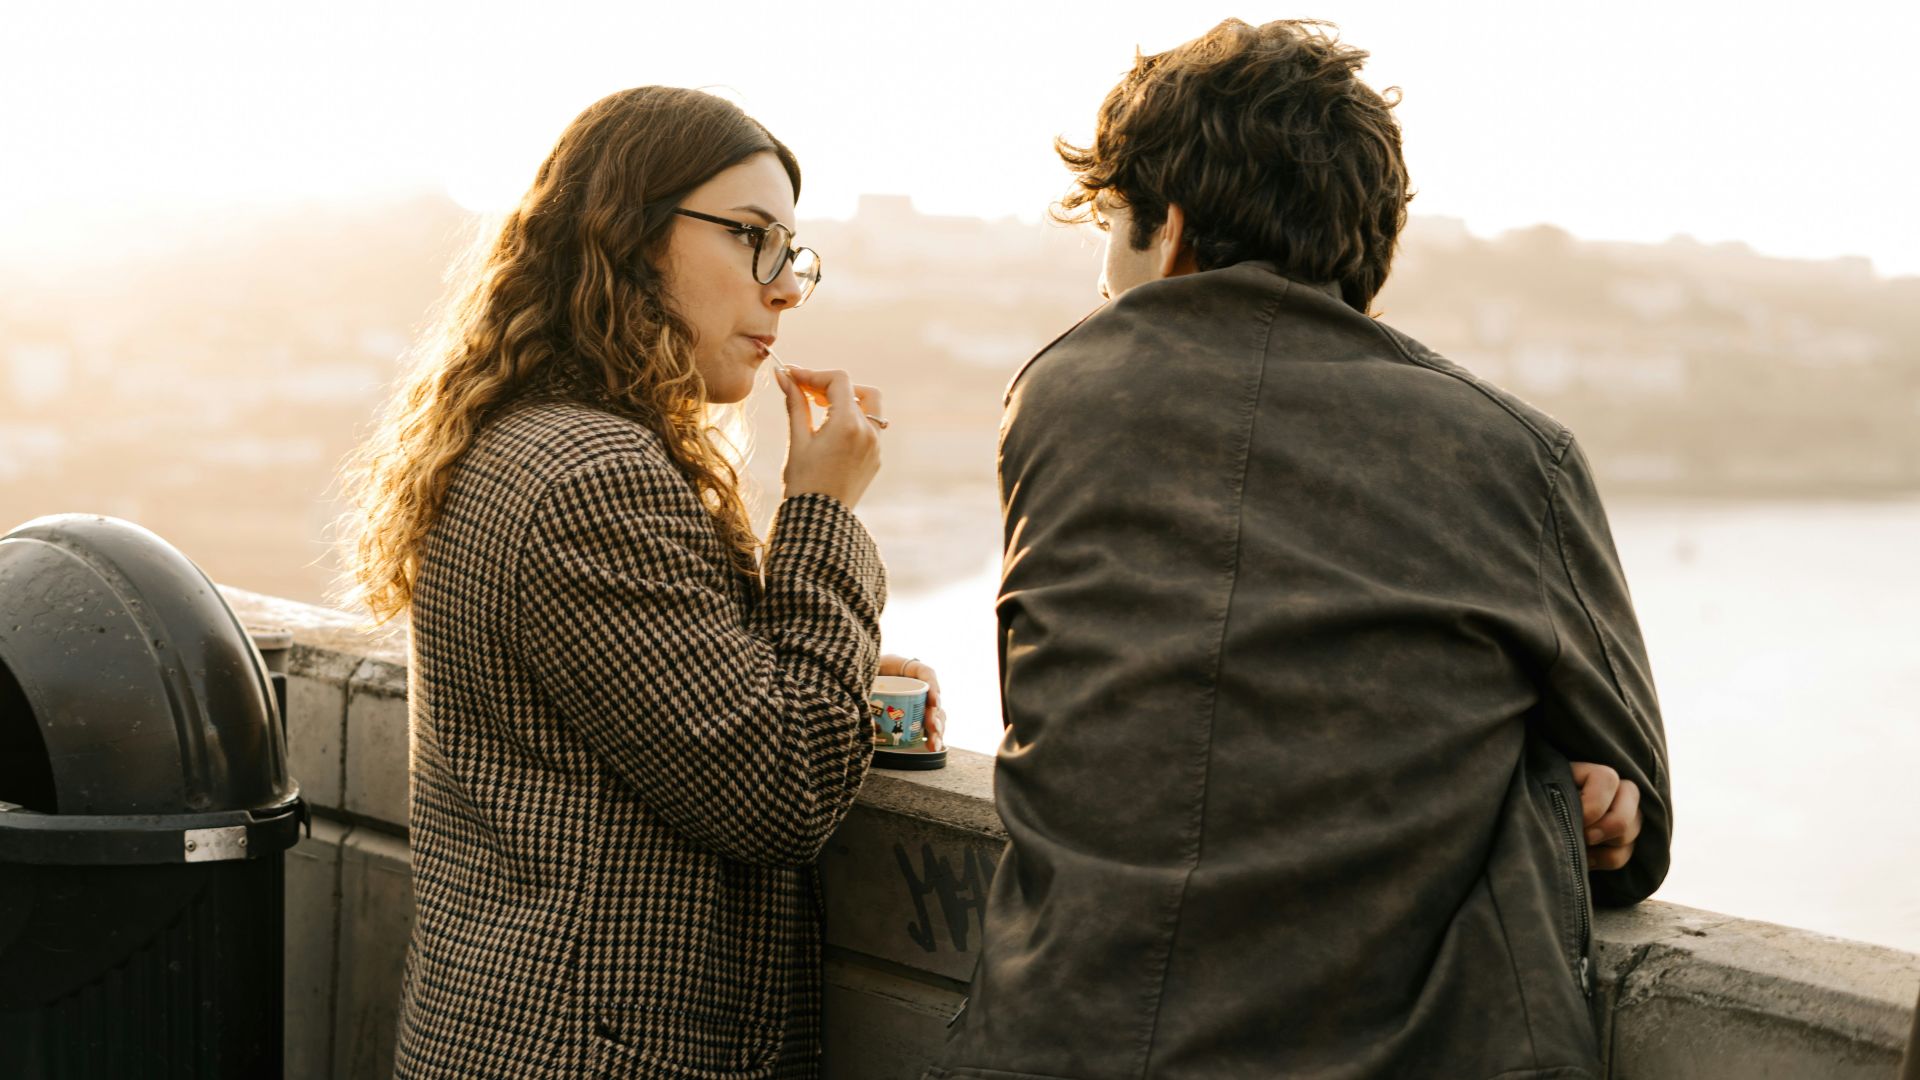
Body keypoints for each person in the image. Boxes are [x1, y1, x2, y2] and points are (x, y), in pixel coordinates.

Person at [929, 19, 1670, 1080]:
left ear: (1169, 229)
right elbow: (1638, 836)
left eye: (1111, 230)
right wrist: (1551, 777)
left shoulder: (1059, 396)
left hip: (1049, 1041)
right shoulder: (1515, 455)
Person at [340, 86, 941, 1079]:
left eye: (791, 252)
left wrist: (829, 672)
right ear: (627, 235)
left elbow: (657, 703)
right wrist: (822, 509)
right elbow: (778, 789)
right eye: (751, 237)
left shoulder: (521, 440)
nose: (784, 287)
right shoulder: (595, 476)